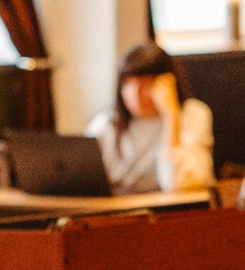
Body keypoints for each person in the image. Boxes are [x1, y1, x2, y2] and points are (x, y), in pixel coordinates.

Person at [86, 40, 214, 193]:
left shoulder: (192, 114)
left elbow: (178, 183)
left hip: (172, 211)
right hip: (118, 209)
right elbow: (84, 178)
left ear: (167, 84)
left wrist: (171, 116)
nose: (135, 94)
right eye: (128, 84)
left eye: (145, 84)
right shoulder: (107, 121)